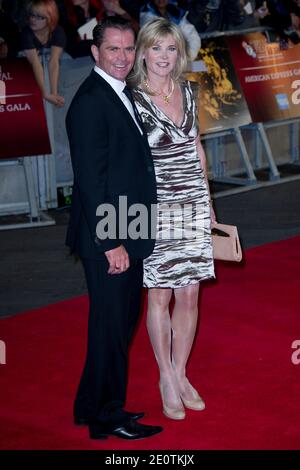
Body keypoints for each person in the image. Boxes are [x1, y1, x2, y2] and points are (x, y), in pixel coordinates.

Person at [65, 17, 162, 440]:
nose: (122, 58)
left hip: (128, 225)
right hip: (109, 235)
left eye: (127, 49)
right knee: (112, 327)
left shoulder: (119, 92)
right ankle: (107, 417)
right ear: (95, 52)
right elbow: (91, 179)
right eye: (113, 50)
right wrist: (111, 242)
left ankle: (90, 405)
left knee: (119, 324)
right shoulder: (90, 101)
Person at [130, 18, 215, 420]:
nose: (164, 57)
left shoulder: (187, 90)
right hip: (156, 207)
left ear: (180, 54)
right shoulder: (132, 98)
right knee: (160, 294)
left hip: (193, 202)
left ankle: (181, 374)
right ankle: (165, 376)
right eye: (157, 48)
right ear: (143, 52)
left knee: (190, 294)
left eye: (171, 49)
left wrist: (209, 199)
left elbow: (196, 145)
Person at [21, 0, 66, 107]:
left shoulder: (58, 32)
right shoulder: (26, 33)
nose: (33, 20)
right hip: (25, 81)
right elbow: (35, 63)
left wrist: (54, 93)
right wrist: (45, 93)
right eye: (32, 15)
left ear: (50, 19)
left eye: (40, 17)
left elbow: (54, 61)